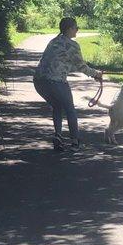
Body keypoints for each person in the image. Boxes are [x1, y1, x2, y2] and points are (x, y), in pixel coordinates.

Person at [33, 17, 102, 152]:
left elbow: (63, 64)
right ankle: (75, 142)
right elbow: (81, 66)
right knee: (70, 109)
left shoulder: (53, 42)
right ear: (69, 29)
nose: (77, 30)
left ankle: (58, 136)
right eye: (76, 27)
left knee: (57, 106)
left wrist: (92, 73)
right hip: (56, 81)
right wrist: (96, 74)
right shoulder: (72, 45)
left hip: (39, 81)